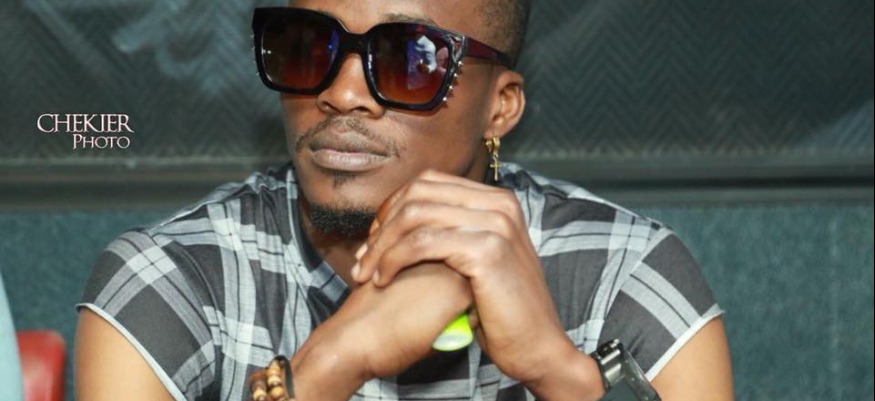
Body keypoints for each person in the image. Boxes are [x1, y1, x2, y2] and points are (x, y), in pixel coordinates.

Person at [75, 1, 734, 400]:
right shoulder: (173, 278)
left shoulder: (623, 271)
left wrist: (555, 370)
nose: (341, 94)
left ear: (500, 106)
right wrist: (330, 366)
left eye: (408, 61)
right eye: (307, 48)